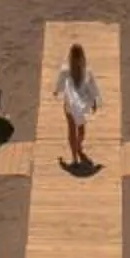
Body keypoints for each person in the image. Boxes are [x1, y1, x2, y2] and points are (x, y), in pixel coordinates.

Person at [56, 40, 100, 170]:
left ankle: (74, 157)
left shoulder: (65, 70)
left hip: (70, 105)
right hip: (82, 106)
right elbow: (92, 90)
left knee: (71, 129)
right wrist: (94, 103)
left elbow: (59, 86)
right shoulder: (87, 71)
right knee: (81, 130)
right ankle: (79, 146)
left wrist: (56, 92)